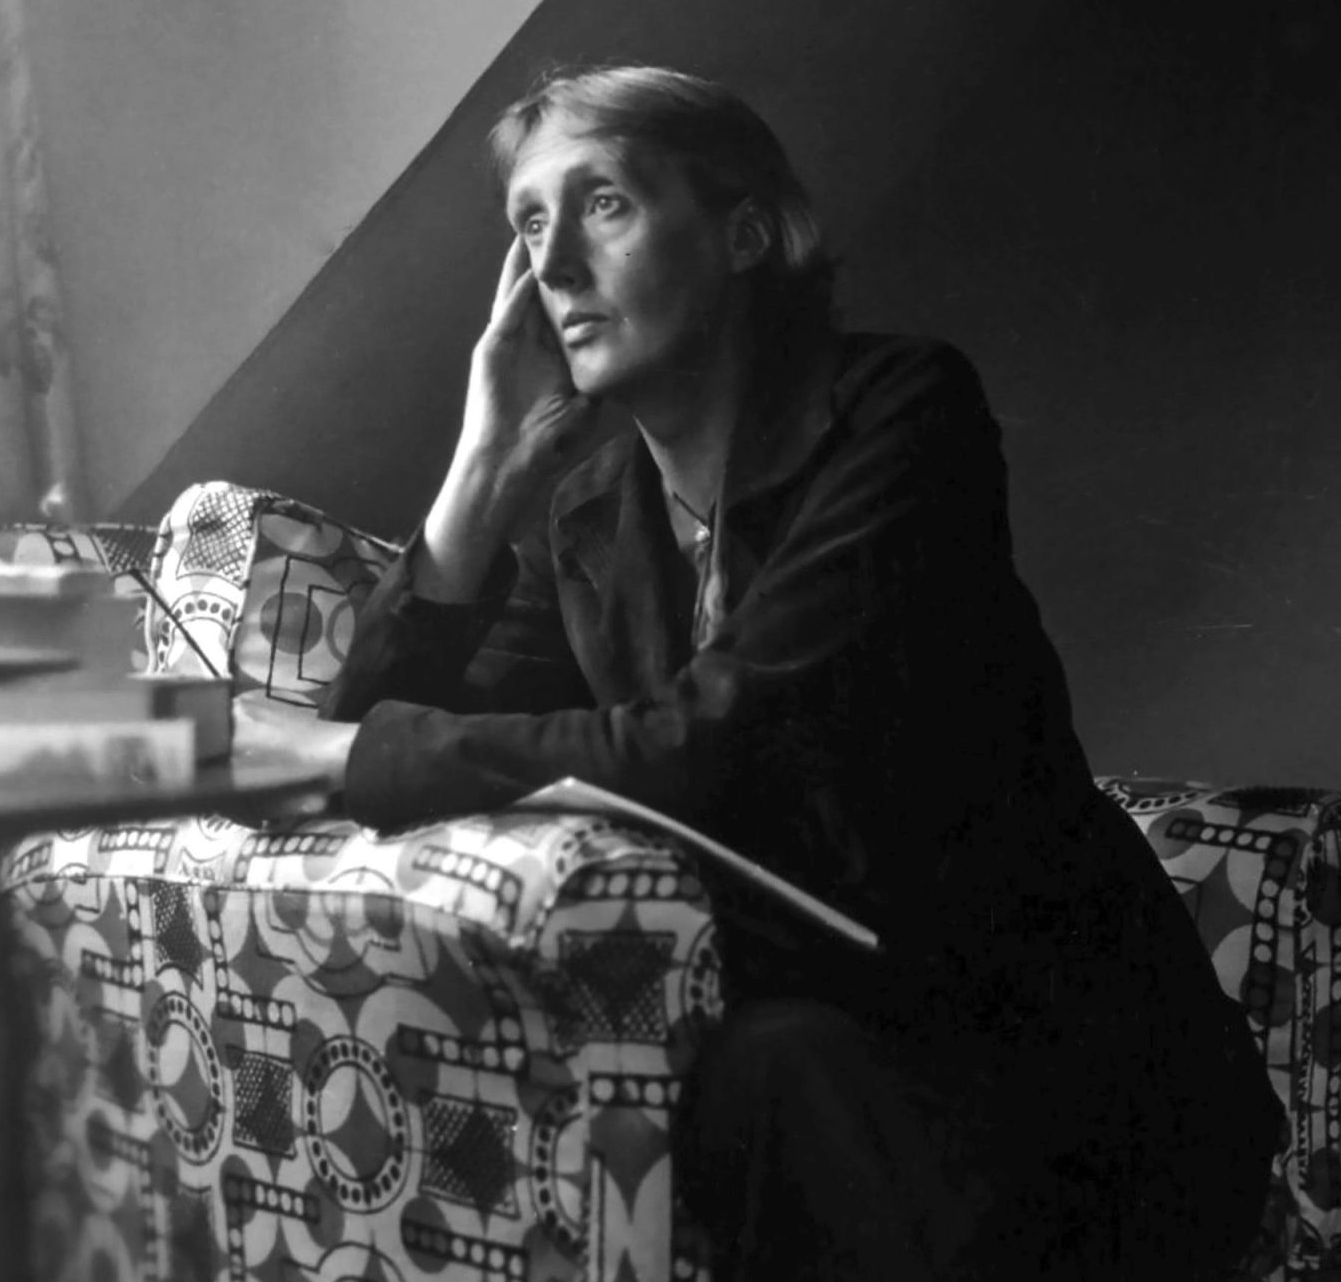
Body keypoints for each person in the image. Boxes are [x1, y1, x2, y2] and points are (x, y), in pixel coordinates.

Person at [236, 63, 1282, 1280]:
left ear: (745, 234)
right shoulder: (591, 518)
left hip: (1074, 1089)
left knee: (770, 1065)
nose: (555, 265)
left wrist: (346, 751)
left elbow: (708, 743)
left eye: (604, 204)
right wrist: (479, 473)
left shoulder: (900, 408)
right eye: (528, 224)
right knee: (738, 1065)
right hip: (837, 1068)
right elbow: (362, 756)